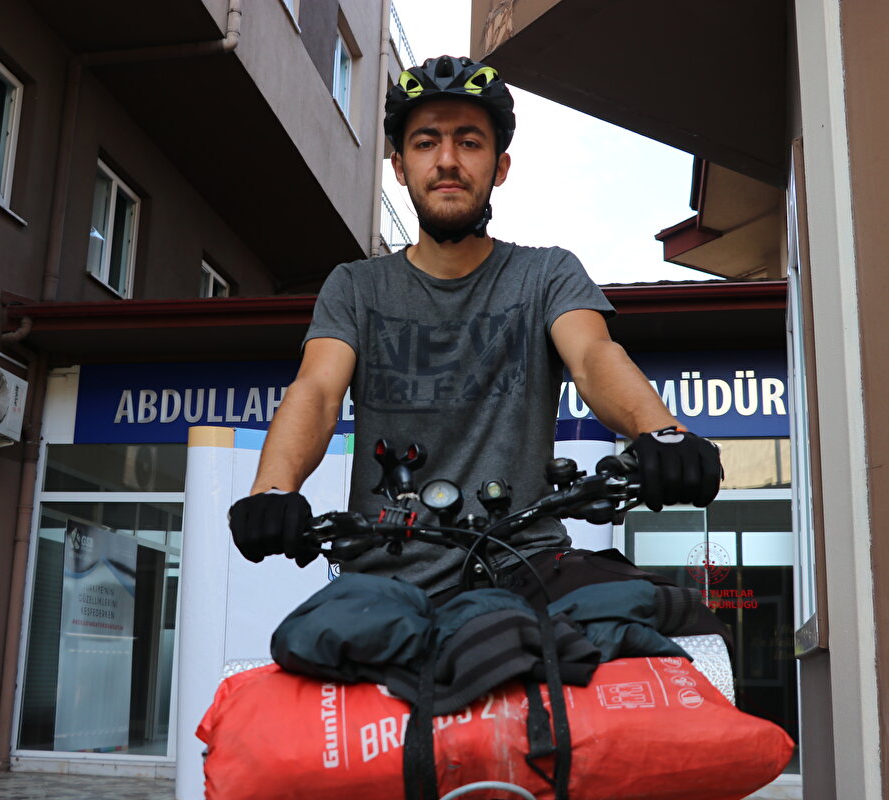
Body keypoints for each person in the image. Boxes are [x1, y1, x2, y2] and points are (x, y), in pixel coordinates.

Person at [229, 56, 723, 612]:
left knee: (662, 625)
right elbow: (316, 391)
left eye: (468, 142)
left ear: (500, 166)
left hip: (528, 563)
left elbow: (592, 356)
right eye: (425, 143)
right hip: (382, 576)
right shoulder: (355, 288)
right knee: (304, 669)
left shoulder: (546, 275)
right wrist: (273, 490)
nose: (446, 161)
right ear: (397, 165)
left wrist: (661, 433)